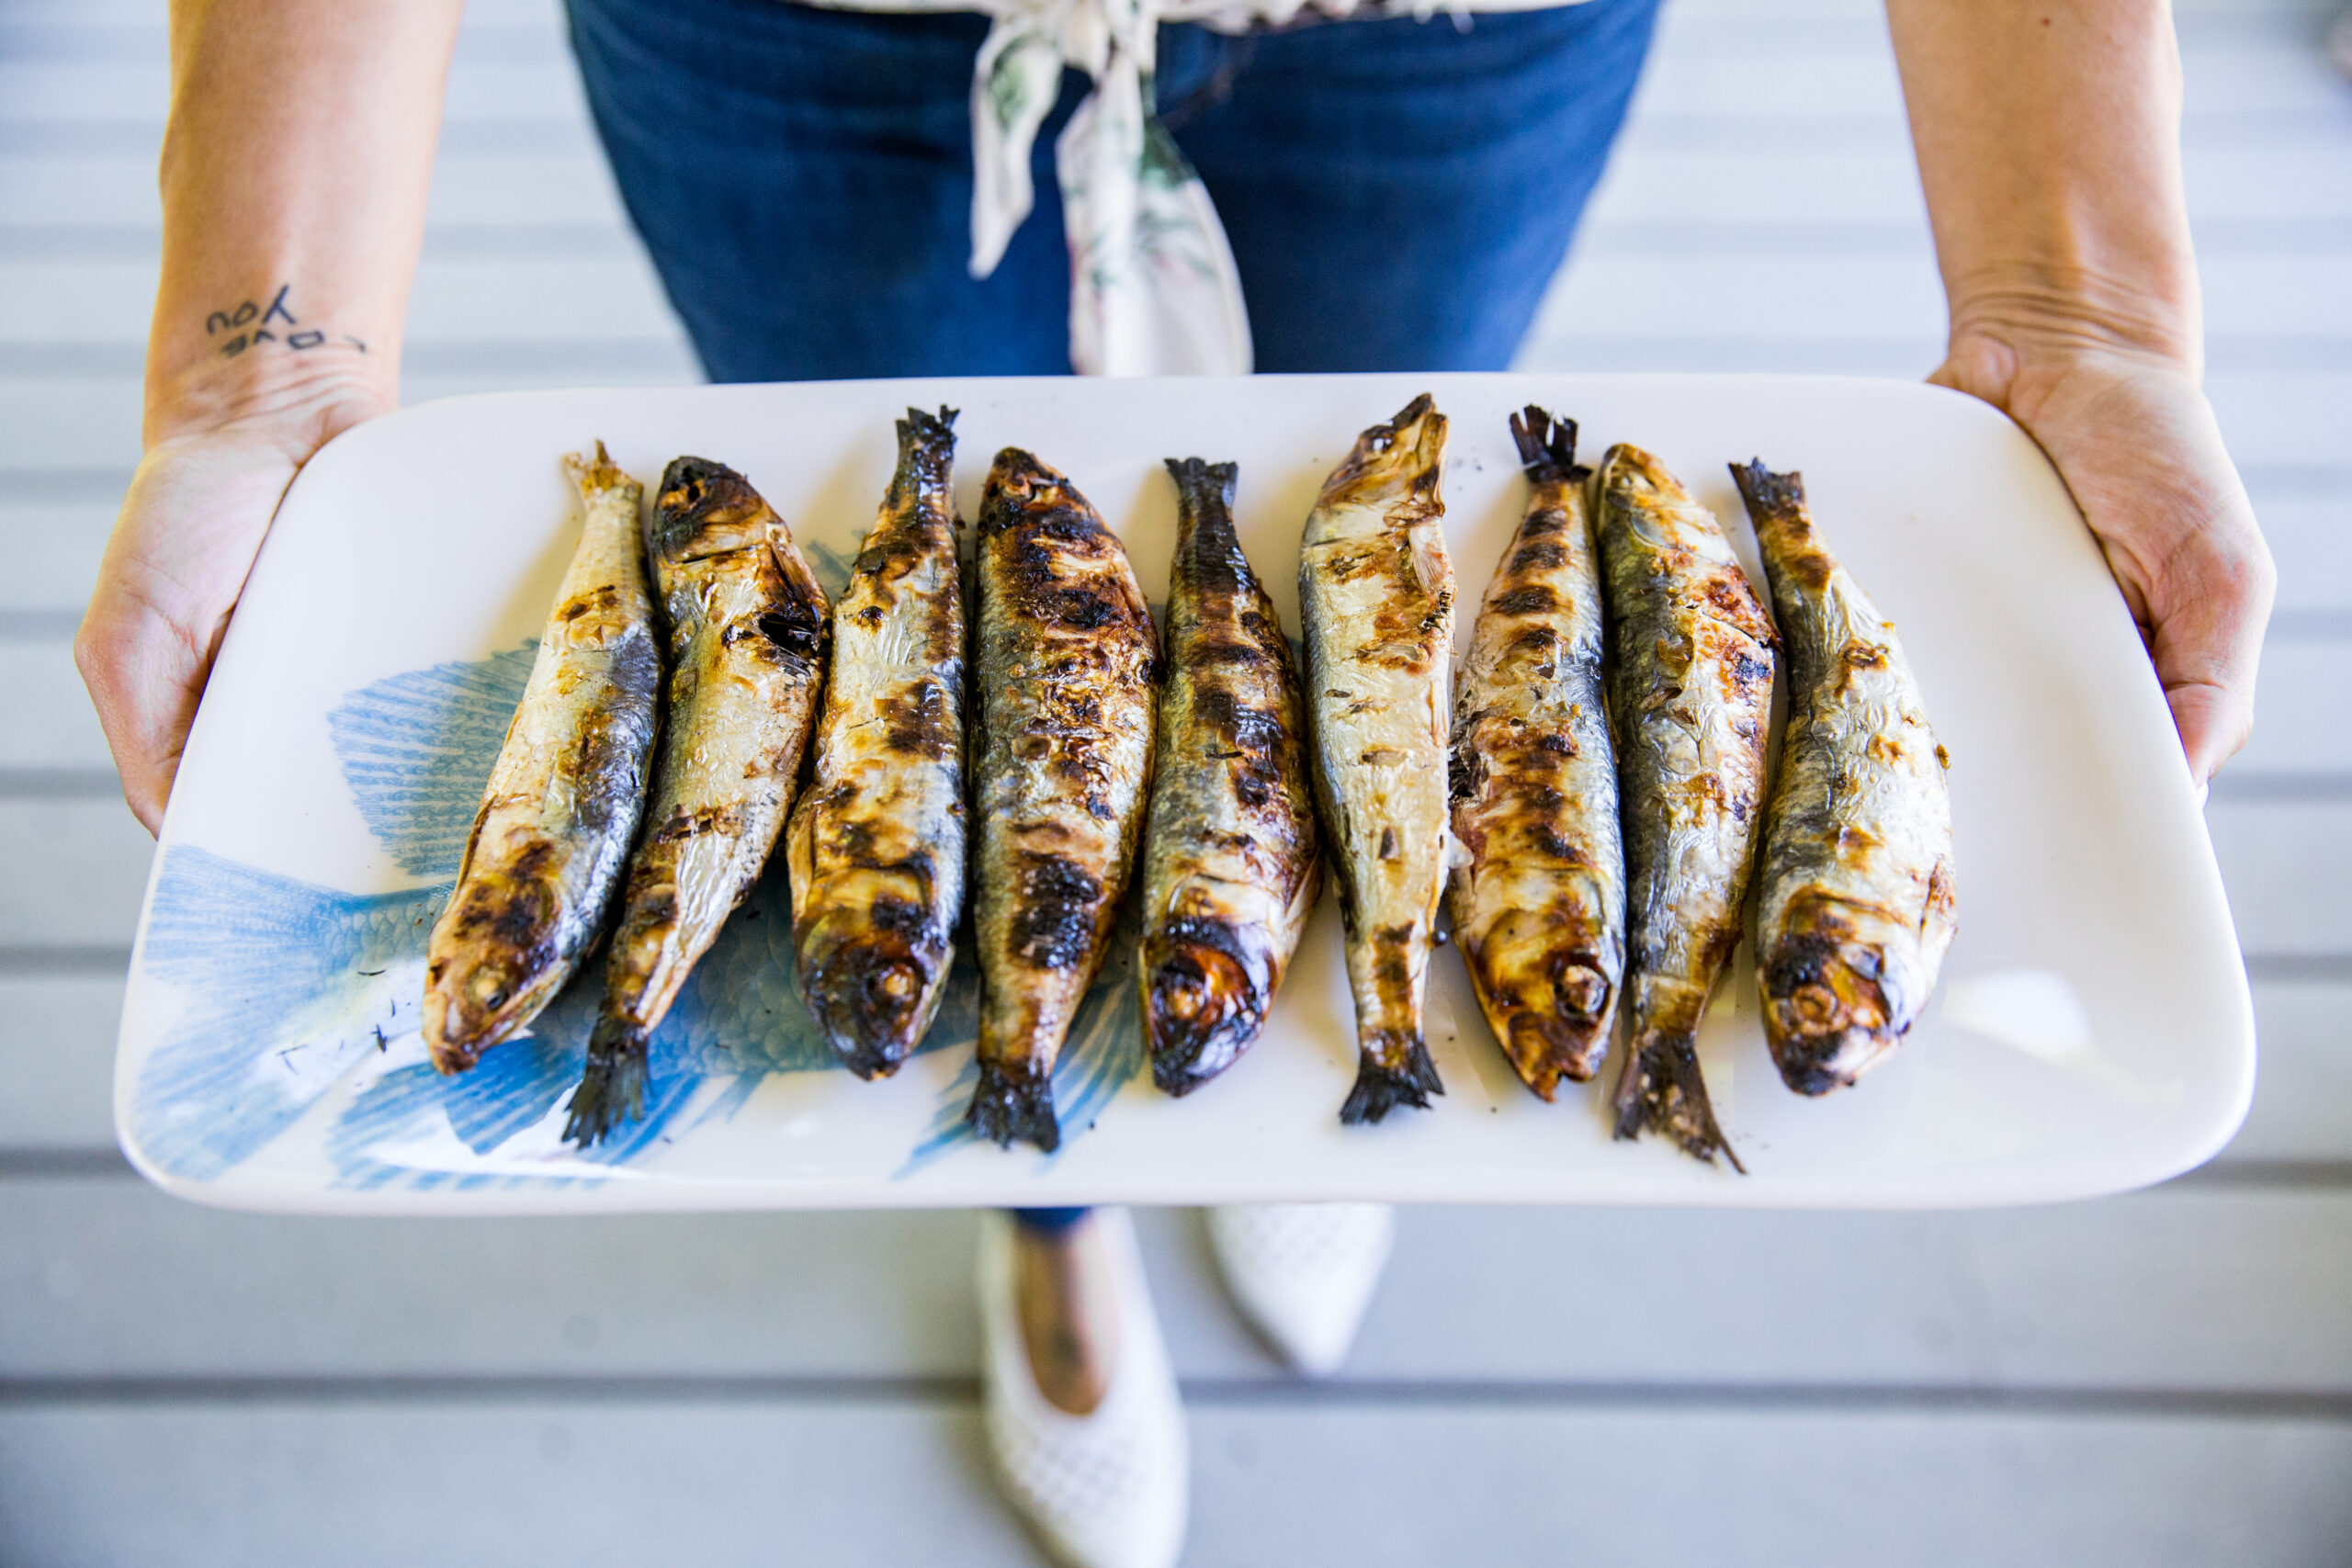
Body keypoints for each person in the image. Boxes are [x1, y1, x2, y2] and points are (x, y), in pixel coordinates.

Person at [80, 2, 2271, 1564]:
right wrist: (255, 378)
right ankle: (1051, 1212)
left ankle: (1326, 1010)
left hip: (1460, 34)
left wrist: (2083, 321)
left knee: (1377, 571)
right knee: (918, 559)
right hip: (782, 35)